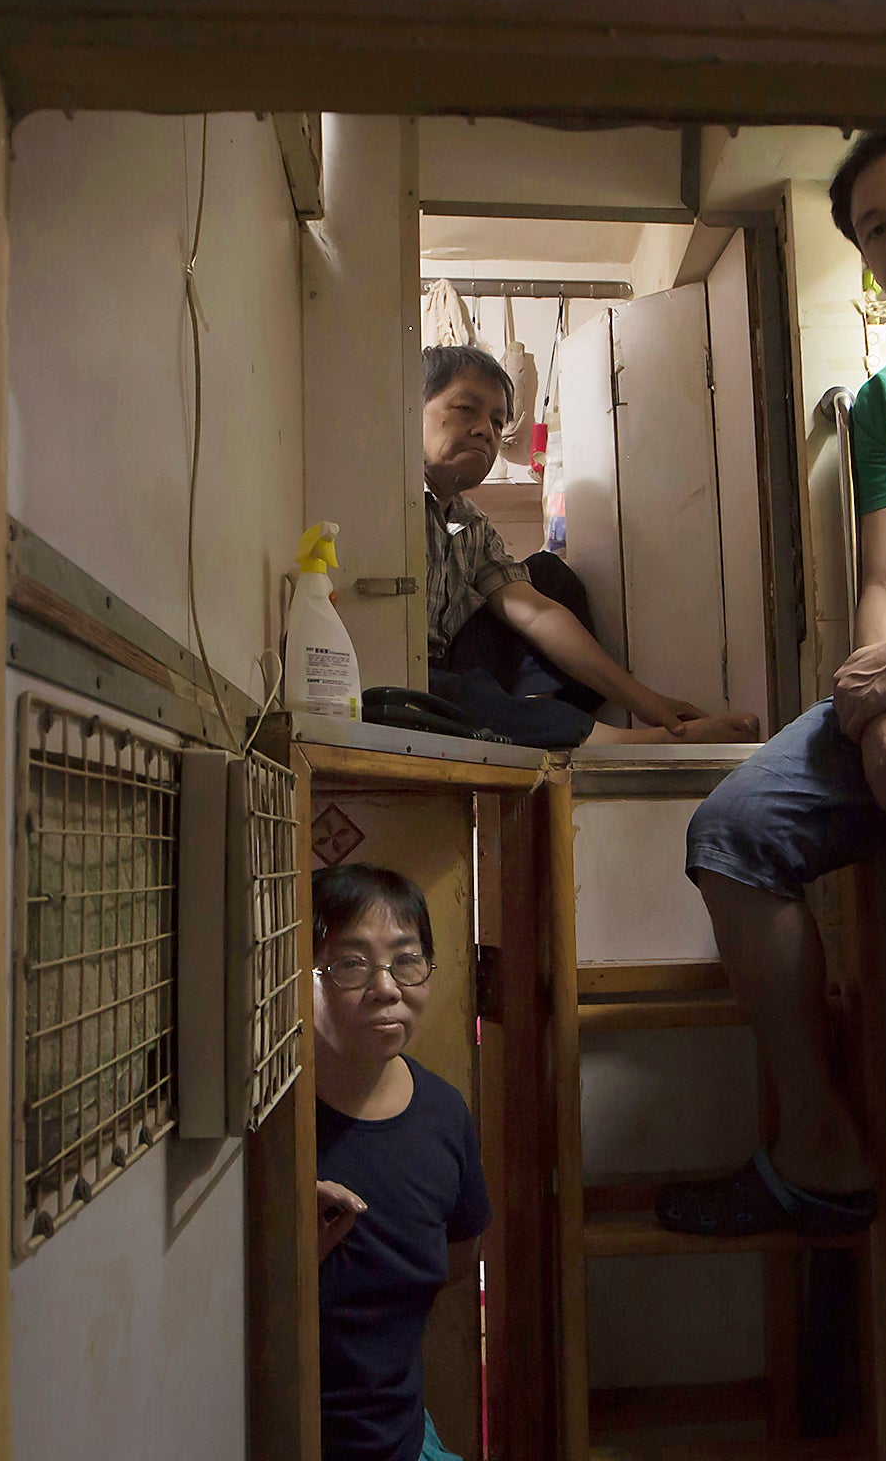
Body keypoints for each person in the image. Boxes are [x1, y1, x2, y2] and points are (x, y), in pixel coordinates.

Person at [655, 130, 886, 1385]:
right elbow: (883, 580)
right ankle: (820, 1152)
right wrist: (876, 708)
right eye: (873, 225)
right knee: (733, 827)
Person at [421, 343, 759, 748]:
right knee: (448, 690)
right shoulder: (382, 505)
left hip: (452, 672)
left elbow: (534, 613)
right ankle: (623, 743)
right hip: (400, 675)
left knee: (549, 577)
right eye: (465, 409)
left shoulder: (471, 524)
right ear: (409, 410)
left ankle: (541, 722)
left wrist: (646, 701)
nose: (485, 430)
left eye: (497, 421)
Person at [311, 863, 489, 1461]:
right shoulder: (271, 1124)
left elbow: (460, 1259)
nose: (386, 987)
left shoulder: (443, 1113)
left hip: (405, 1439)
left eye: (406, 961)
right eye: (352, 963)